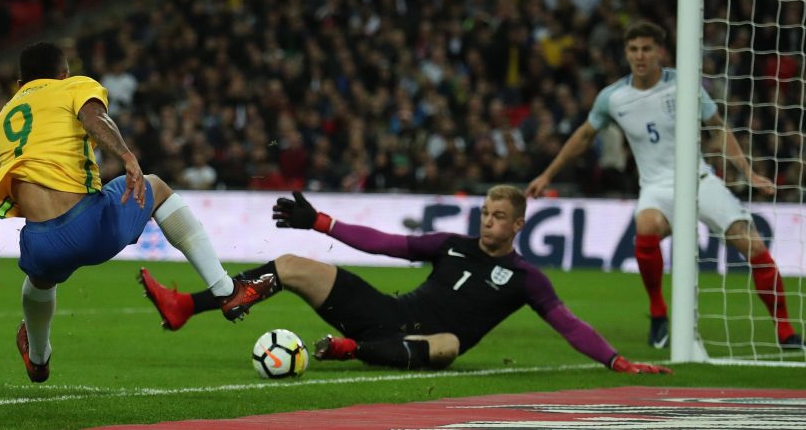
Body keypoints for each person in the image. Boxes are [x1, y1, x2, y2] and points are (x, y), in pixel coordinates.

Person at [0, 42, 274, 383]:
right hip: (90, 226)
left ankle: (38, 357)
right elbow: (93, 119)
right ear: (63, 74)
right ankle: (227, 291)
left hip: (40, 243)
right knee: (158, 188)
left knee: (39, 281)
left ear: (19, 85)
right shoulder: (73, 86)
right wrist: (126, 156)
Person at [139, 186, 671, 374]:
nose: (487, 221)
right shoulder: (452, 245)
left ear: (517, 225)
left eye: (498, 216)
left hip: (423, 342)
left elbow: (567, 324)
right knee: (293, 263)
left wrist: (614, 360)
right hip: (386, 315)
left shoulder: (527, 278)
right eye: (485, 212)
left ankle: (352, 351)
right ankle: (190, 304)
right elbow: (384, 244)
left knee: (447, 346)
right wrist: (320, 222)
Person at [526, 20, 801, 350]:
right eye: (633, 49)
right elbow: (584, 136)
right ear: (626, 53)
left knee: (754, 246)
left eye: (646, 49)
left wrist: (747, 172)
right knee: (646, 225)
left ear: (659, 52)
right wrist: (547, 174)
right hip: (656, 186)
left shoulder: (683, 85)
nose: (639, 56)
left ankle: (786, 332)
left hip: (698, 179)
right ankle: (658, 312)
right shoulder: (613, 98)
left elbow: (718, 128)